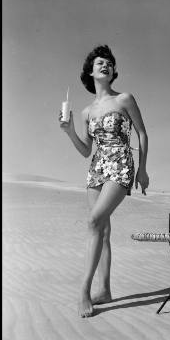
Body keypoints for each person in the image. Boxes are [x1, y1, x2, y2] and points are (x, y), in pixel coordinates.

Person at [59, 44, 149, 317]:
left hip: (121, 163)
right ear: (90, 71)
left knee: (93, 222)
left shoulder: (124, 99)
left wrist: (142, 170)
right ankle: (105, 290)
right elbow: (86, 149)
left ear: (113, 72)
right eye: (100, 62)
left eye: (109, 63)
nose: (106, 65)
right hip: (96, 167)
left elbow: (143, 134)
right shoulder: (86, 112)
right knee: (103, 231)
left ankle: (84, 291)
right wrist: (69, 131)